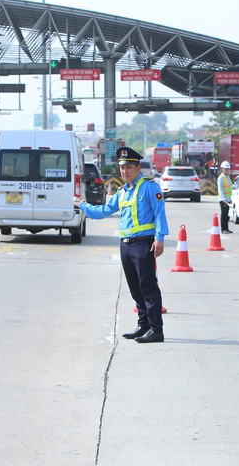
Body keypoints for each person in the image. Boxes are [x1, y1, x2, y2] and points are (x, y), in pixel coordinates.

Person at [74, 147, 169, 343]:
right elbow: (103, 211)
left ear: (137, 168)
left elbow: (159, 213)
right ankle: (143, 325)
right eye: (122, 168)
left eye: (128, 167)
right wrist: (82, 205)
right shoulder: (122, 192)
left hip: (144, 244)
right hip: (125, 245)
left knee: (148, 287)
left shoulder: (150, 187)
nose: (124, 171)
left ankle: (156, 329)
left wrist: (159, 238)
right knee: (135, 288)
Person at [217, 161, 233, 234]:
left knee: (227, 215)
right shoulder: (220, 178)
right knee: (224, 215)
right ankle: (223, 229)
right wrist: (224, 199)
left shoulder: (227, 177)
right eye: (225, 169)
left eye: (227, 169)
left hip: (228, 199)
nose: (226, 170)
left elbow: (229, 188)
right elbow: (220, 190)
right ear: (222, 169)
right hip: (223, 200)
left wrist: (230, 199)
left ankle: (226, 229)